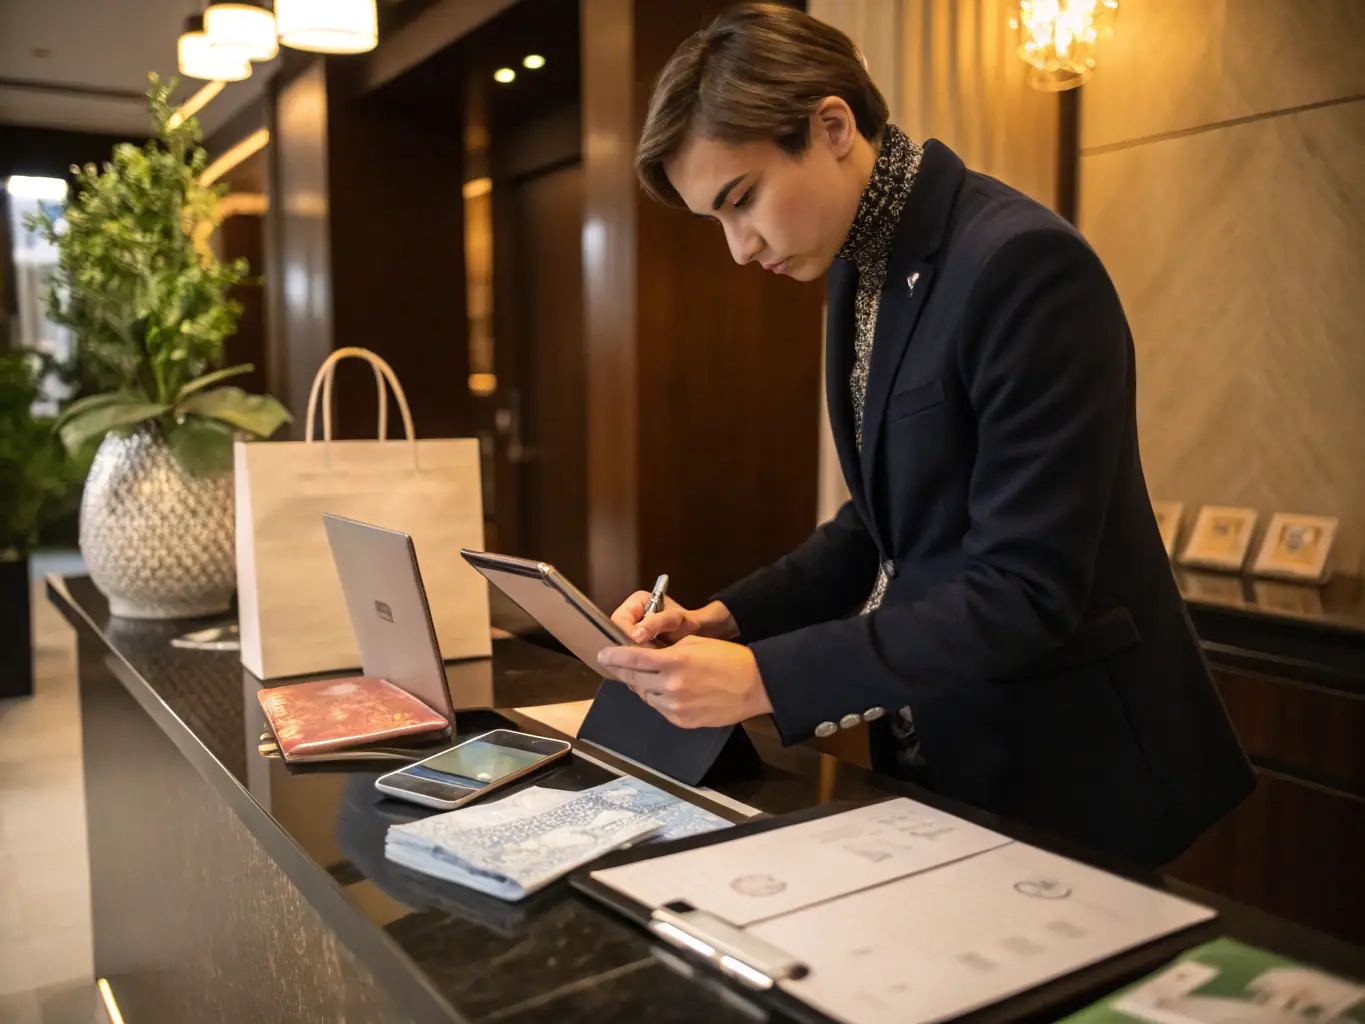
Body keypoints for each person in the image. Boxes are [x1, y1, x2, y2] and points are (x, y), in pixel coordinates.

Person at [598, 2, 1253, 867]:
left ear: (831, 125)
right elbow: (881, 523)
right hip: (944, 749)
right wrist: (720, 621)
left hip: (1066, 765)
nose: (737, 247)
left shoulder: (1020, 263)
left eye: (741, 200)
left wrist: (764, 677)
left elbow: (1025, 591)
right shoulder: (859, 266)